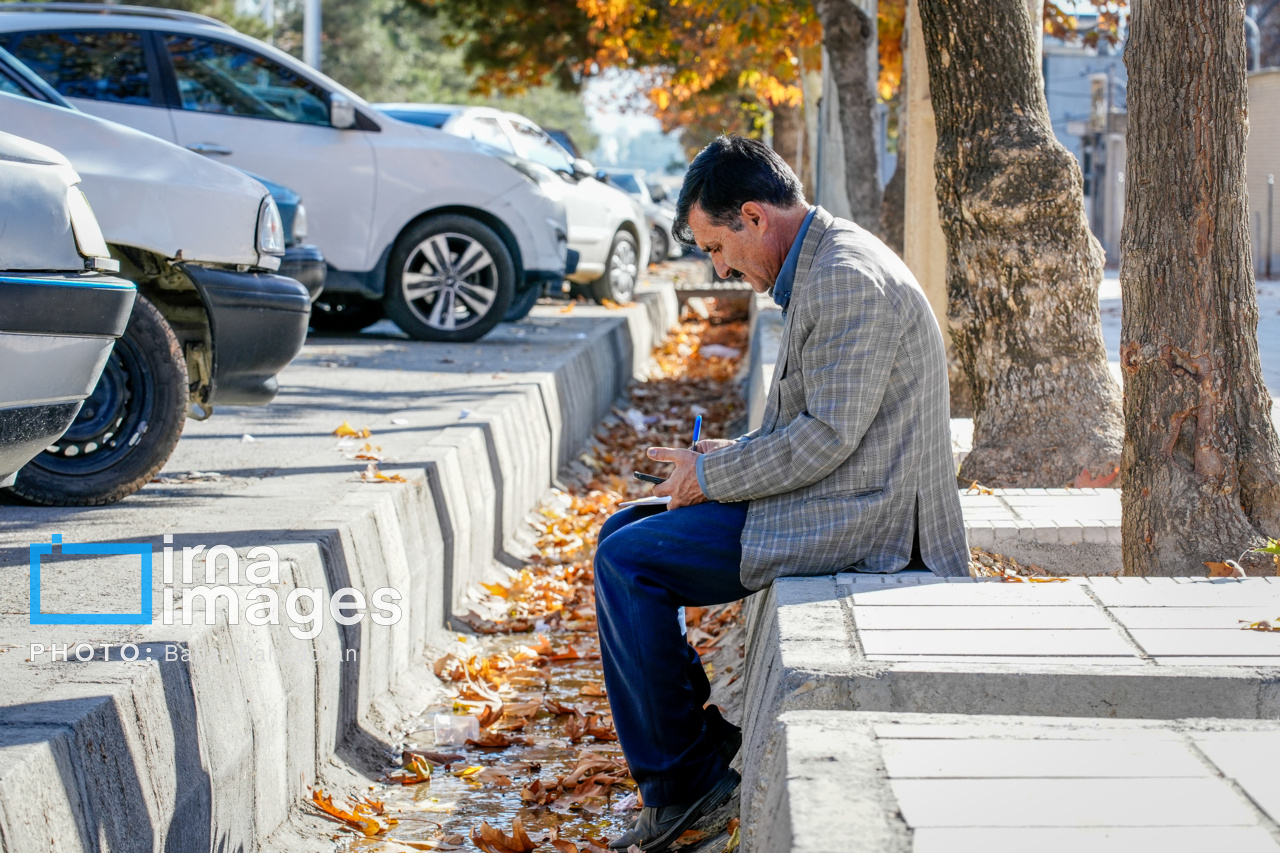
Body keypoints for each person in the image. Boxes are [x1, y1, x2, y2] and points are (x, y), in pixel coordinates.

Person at [595, 136, 969, 851]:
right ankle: (695, 745)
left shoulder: (845, 277)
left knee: (629, 562)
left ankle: (684, 783)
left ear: (753, 217)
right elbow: (818, 423)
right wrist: (725, 455)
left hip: (871, 517)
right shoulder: (823, 262)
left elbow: (825, 438)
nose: (720, 267)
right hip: (840, 490)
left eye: (717, 247)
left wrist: (710, 478)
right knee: (621, 532)